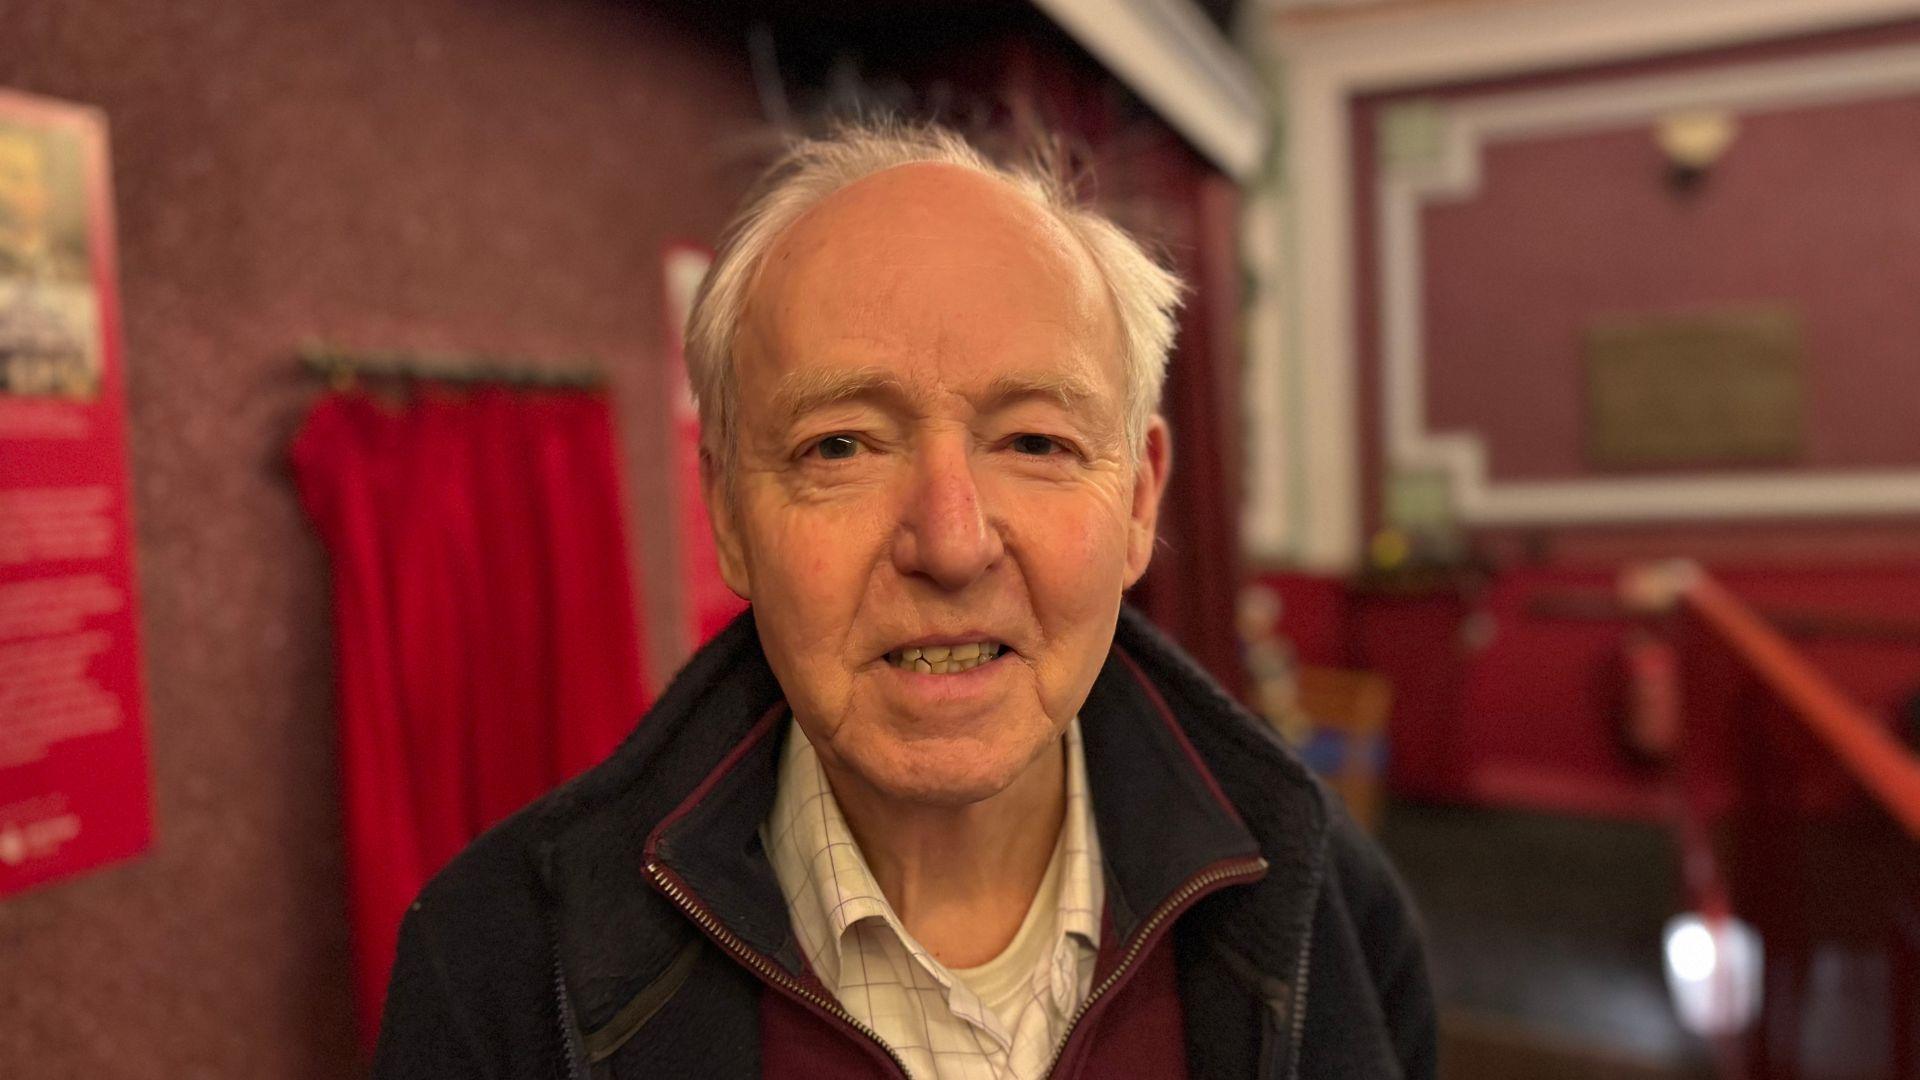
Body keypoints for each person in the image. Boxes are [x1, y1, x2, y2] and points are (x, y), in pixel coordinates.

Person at [373, 122, 1435, 1079]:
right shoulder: (498, 968)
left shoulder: (1324, 898)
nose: (953, 542)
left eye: (1035, 441)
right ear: (730, 516)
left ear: (1141, 499)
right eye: (839, 446)